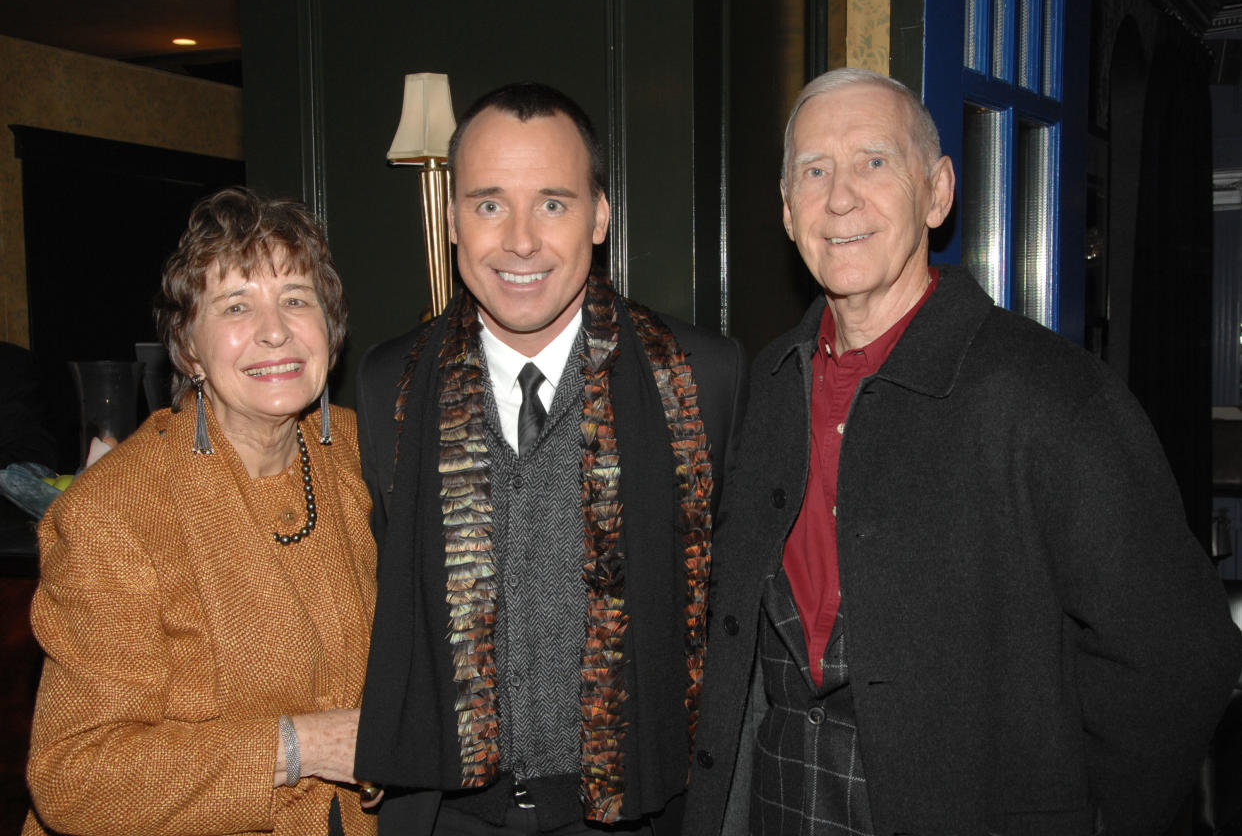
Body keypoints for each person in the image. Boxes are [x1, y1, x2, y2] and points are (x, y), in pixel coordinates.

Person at [683, 68, 1242, 836]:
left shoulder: (1051, 395)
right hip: (777, 804)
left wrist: (1076, 816)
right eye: (814, 171)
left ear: (938, 192)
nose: (840, 196)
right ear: (787, 212)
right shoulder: (769, 385)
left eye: (874, 161)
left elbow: (1182, 656)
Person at [353, 82, 747, 834]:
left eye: (554, 203)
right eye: (490, 203)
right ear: (451, 219)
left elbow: (731, 618)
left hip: (637, 815)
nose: (522, 241)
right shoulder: (388, 383)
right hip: (447, 815)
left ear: (600, 216)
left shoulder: (702, 377)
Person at [23, 187, 378, 836]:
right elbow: (73, 778)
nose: (276, 330)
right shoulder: (115, 514)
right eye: (236, 305)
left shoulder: (364, 453)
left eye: (297, 299)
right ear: (188, 349)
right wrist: (300, 747)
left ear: (330, 328)